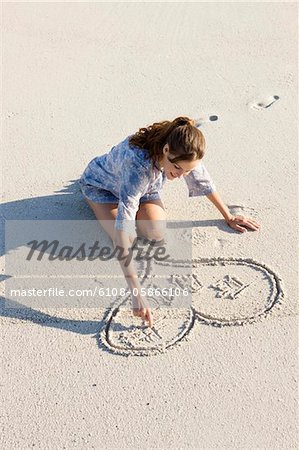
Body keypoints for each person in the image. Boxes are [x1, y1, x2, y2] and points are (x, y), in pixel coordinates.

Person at [79, 116, 260, 328]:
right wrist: (137, 294)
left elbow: (204, 182)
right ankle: (91, 201)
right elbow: (121, 236)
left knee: (155, 232)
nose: (181, 175)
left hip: (147, 188)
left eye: (187, 171)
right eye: (177, 168)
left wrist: (228, 216)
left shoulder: (186, 152)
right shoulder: (137, 165)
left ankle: (139, 201)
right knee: (128, 238)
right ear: (166, 150)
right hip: (102, 188)